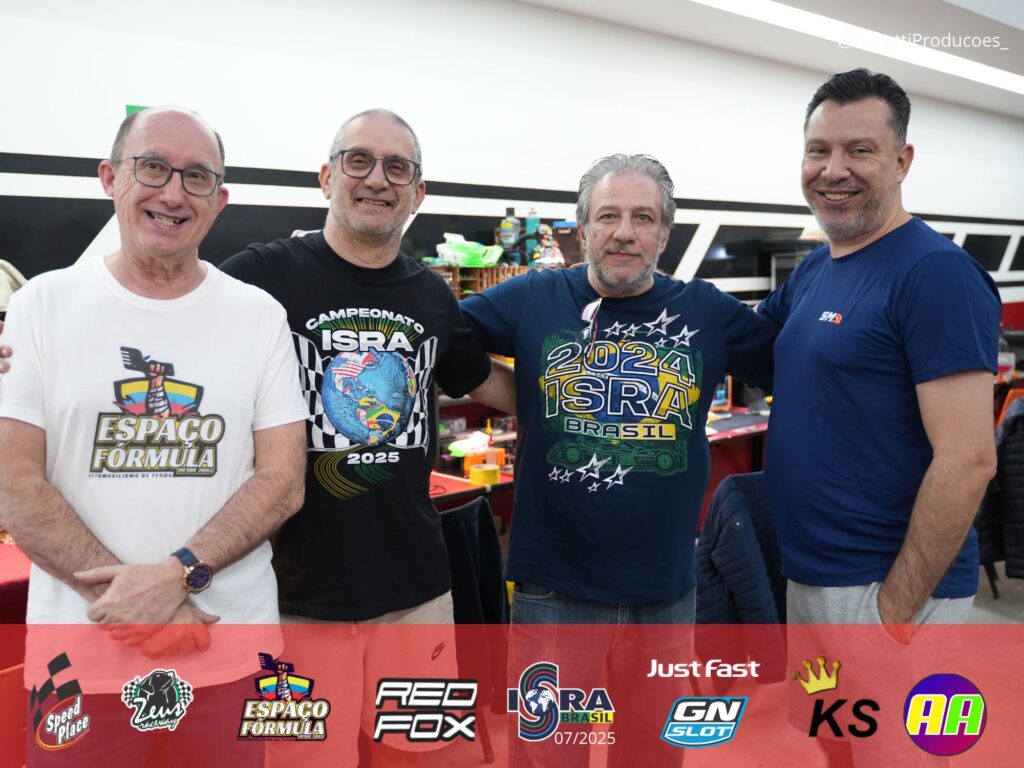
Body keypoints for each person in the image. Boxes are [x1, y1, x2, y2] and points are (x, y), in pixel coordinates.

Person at [0, 107, 308, 765]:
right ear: (110, 177)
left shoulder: (258, 316)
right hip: (78, 665)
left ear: (220, 200)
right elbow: (14, 483)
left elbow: (282, 481)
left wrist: (177, 576)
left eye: (197, 177)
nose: (173, 193)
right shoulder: (39, 307)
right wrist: (137, 606)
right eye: (152, 168)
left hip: (229, 651)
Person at [459, 153, 779, 767]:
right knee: (550, 759)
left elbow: (804, 366)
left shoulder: (707, 311)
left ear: (665, 234)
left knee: (654, 757)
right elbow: (446, 344)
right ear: (583, 229)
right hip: (555, 593)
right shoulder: (534, 297)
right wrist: (524, 396)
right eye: (608, 216)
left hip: (665, 592)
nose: (624, 232)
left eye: (643, 218)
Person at [218, 109, 511, 768]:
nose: (377, 179)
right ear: (327, 177)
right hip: (293, 594)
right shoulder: (260, 274)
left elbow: (480, 378)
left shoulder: (430, 294)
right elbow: (170, 327)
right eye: (359, 160)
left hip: (416, 590)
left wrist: (574, 401)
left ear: (418, 193)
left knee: (428, 759)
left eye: (397, 168)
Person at [759, 70, 1000, 767]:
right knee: (838, 747)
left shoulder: (935, 274)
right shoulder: (816, 268)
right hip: (814, 577)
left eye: (859, 150)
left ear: (902, 161)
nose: (833, 170)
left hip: (883, 590)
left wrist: (894, 612)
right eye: (819, 150)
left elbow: (969, 459)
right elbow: (746, 345)